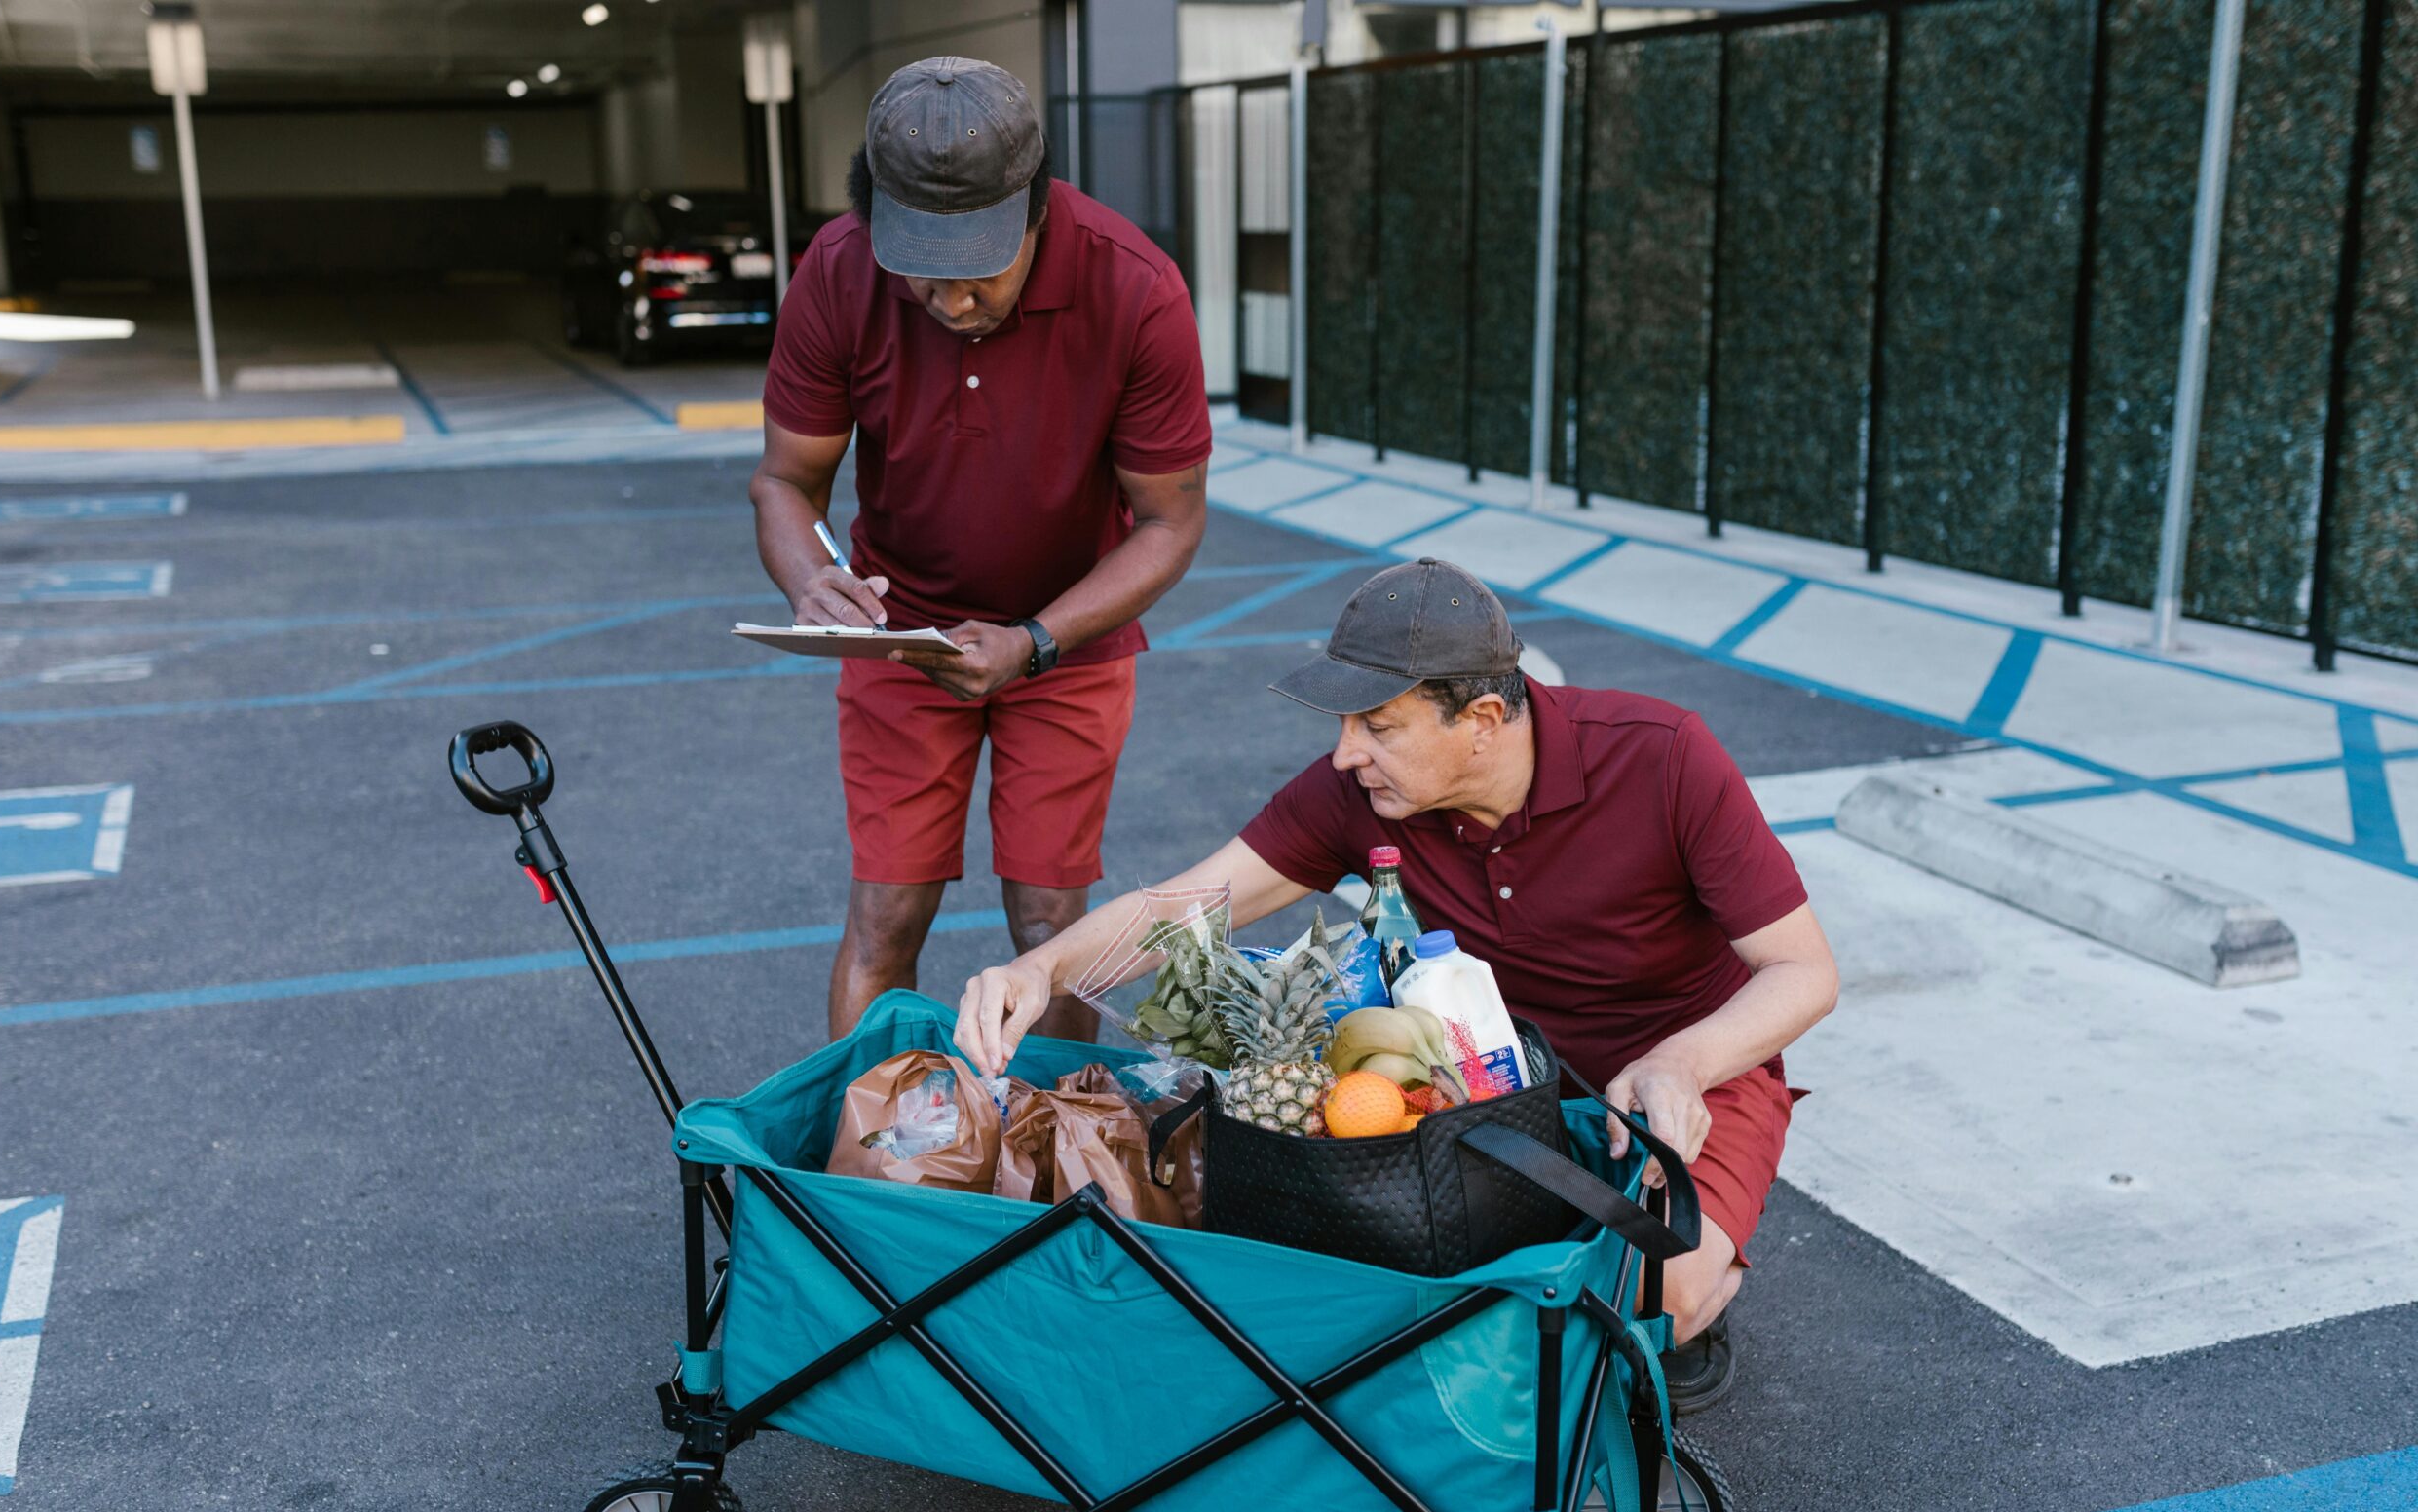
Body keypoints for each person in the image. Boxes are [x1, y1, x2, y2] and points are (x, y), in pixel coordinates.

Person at [954, 558, 1839, 1414]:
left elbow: (1804, 971)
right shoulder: (1368, 793)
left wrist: (1683, 1061)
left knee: (1657, 1296)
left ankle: (1701, 1295)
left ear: (1484, 716)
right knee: (1389, 1275)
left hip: (1686, 1075)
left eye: (1377, 727)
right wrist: (1039, 968)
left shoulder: (1664, 757)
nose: (1345, 756)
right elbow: (1191, 899)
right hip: (1484, 1076)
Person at [750, 57, 1212, 1040]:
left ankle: (1049, 1159)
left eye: (977, 272)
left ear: (1035, 208)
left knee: (1047, 921)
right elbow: (787, 483)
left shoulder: (1135, 290)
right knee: (886, 910)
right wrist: (808, 579)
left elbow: (1170, 521)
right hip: (900, 631)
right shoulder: (836, 271)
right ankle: (858, 1156)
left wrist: (1036, 640)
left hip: (1067, 639)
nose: (950, 302)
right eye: (921, 270)